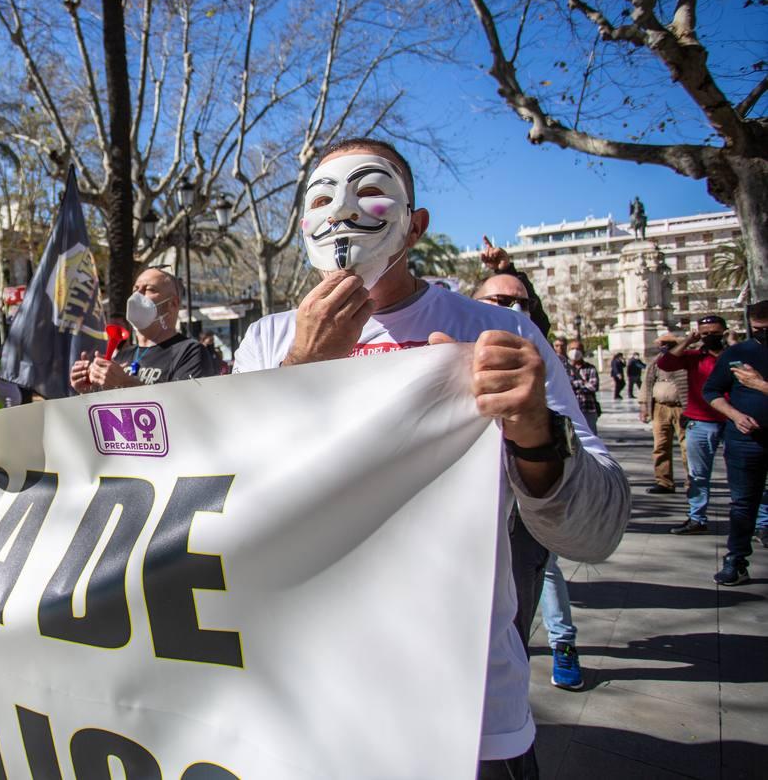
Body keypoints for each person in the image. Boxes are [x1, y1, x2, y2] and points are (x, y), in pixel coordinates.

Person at [234, 137, 628, 775]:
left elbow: (595, 530)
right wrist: (300, 373)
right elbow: (230, 504)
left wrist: (533, 428)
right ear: (303, 225)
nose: (342, 213)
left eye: (369, 190)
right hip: (305, 691)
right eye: (321, 198)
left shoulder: (501, 333)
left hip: (467, 709)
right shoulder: (268, 340)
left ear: (415, 226)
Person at [474, 273, 583, 691]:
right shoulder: (446, 346)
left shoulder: (537, 357)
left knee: (525, 602)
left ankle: (562, 643)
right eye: (498, 300)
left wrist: (537, 433)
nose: (511, 310)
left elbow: (593, 531)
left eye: (522, 302)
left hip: (526, 526)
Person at [701, 301, 768, 585]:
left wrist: (760, 385)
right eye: (758, 329)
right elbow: (712, 390)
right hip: (746, 442)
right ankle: (736, 559)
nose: (763, 333)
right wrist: (734, 415)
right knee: (743, 504)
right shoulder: (738, 353)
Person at [70, 268, 210, 392]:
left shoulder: (190, 352)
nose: (137, 295)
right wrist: (89, 389)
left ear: (172, 304)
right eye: (135, 289)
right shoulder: (123, 356)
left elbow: (185, 407)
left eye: (149, 289)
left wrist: (125, 382)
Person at [657, 315, 729, 535]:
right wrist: (688, 340)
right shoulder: (694, 357)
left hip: (734, 422)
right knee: (697, 475)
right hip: (700, 422)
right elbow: (665, 363)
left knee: (745, 474)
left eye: (715, 333)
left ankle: (760, 523)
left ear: (724, 332)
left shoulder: (735, 355)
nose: (710, 337)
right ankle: (697, 518)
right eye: (705, 333)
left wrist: (733, 343)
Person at [639, 335, 688, 495]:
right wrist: (644, 406)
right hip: (659, 407)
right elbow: (646, 385)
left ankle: (692, 481)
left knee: (687, 446)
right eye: (662, 344)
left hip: (681, 407)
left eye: (667, 344)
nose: (664, 346)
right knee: (660, 446)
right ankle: (663, 481)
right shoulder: (655, 363)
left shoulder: (684, 360)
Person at [566, 345, 602, 435]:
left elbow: (593, 387)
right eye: (572, 349)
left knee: (590, 436)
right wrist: (584, 383)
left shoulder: (590, 368)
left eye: (578, 349)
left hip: (588, 408)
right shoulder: (563, 368)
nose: (575, 351)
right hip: (569, 410)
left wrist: (574, 384)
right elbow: (564, 387)